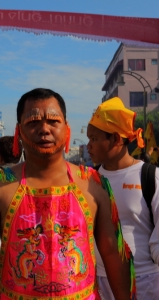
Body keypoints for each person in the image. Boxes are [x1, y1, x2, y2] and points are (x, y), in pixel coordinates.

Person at [0, 88, 135, 300]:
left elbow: (114, 255)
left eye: (53, 121)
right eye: (33, 122)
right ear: (18, 131)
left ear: (67, 130)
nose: (44, 129)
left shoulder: (94, 184)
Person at [87, 97, 159, 299]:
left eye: (94, 139)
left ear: (117, 139)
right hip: (98, 282)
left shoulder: (150, 177)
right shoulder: (88, 180)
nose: (88, 146)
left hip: (146, 282)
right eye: (88, 139)